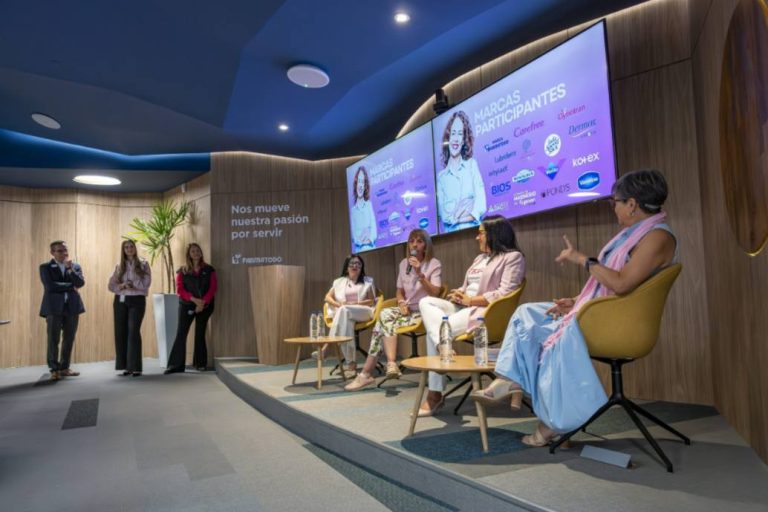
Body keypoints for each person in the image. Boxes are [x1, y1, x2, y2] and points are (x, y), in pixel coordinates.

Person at [473, 170, 677, 447]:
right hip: (602, 311)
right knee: (527, 314)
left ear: (632, 204)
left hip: (618, 323)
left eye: (615, 202)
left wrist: (583, 260)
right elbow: (612, 286)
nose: (613, 207)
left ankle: (553, 423)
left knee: (552, 335)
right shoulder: (634, 235)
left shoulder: (657, 237)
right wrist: (575, 301)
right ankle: (510, 379)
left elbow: (622, 283)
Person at [417, 215, 525, 416]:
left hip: (483, 312)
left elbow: (505, 292)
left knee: (435, 332)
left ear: (494, 234)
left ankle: (434, 394)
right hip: (463, 307)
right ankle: (443, 345)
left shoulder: (513, 257)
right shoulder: (479, 258)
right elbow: (468, 287)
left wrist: (471, 300)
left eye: (480, 233)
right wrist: (459, 293)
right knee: (426, 302)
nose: (477, 237)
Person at [345, 229, 443, 391]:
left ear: (426, 246)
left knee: (380, 325)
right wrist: (401, 302)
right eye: (411, 241)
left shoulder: (434, 264)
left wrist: (420, 274)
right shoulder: (404, 264)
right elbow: (399, 291)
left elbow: (436, 292)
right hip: (407, 310)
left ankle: (368, 373)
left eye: (419, 241)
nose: (414, 245)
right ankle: (386, 366)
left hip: (424, 312)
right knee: (384, 315)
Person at [317, 254, 376, 377]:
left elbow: (371, 301)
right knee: (346, 322)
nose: (355, 266)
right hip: (345, 313)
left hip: (364, 311)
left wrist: (354, 303)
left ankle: (328, 345)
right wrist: (338, 304)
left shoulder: (367, 281)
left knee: (345, 310)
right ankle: (351, 366)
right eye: (352, 263)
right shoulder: (339, 282)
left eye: (358, 264)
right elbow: (327, 297)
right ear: (346, 267)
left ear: (361, 267)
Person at [164, 243, 217, 374]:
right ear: (189, 254)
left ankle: (200, 364)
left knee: (200, 333)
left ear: (201, 252)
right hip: (187, 305)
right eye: (193, 251)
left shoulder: (209, 269)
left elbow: (213, 288)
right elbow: (180, 290)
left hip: (205, 306)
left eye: (198, 250)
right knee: (181, 333)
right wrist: (194, 300)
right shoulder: (182, 271)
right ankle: (175, 366)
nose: (196, 253)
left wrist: (202, 303)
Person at [39, 240, 85, 380]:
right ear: (52, 253)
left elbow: (80, 283)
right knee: (53, 339)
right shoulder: (45, 267)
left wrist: (69, 269)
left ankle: (64, 368)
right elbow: (50, 286)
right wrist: (71, 286)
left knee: (69, 338)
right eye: (60, 251)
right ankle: (54, 369)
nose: (64, 253)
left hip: (72, 307)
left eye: (65, 250)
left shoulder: (75, 266)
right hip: (53, 308)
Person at [436, 110, 487, 232]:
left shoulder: (472, 165)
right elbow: (445, 216)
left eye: (460, 134)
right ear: (448, 137)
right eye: (453, 133)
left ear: (463, 140)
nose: (455, 139)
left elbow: (481, 206)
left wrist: (456, 218)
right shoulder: (441, 177)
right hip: (451, 238)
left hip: (475, 234)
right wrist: (465, 208)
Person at [108, 239, 151, 377]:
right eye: (126, 247)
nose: (129, 249)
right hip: (120, 300)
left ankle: (136, 367)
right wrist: (122, 286)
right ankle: (126, 367)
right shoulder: (119, 265)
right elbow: (111, 285)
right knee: (121, 332)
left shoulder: (143, 264)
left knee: (133, 331)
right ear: (123, 250)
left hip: (137, 300)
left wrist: (133, 284)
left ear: (135, 248)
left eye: (131, 246)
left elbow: (146, 283)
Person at [349, 166, 377, 252]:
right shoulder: (353, 211)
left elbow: (374, 231)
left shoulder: (369, 205)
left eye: (363, 182)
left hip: (372, 248)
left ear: (365, 186)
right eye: (359, 182)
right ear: (356, 184)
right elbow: (354, 237)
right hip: (359, 251)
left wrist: (368, 239)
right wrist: (364, 234)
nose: (360, 186)